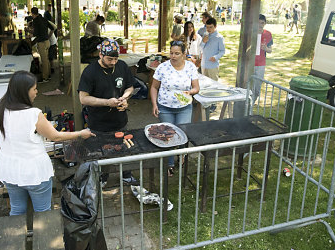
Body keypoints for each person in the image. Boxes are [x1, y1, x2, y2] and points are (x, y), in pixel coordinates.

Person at [0, 71, 94, 216]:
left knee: (17, 209)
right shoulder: (33, 114)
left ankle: (18, 236)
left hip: (9, 169)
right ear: (24, 92)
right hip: (34, 171)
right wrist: (81, 133)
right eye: (34, 89)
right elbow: (56, 136)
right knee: (43, 212)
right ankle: (44, 237)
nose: (37, 92)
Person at [78, 39, 138, 186]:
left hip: (120, 120)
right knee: (102, 152)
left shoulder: (122, 66)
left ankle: (126, 175)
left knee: (124, 148)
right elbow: (83, 99)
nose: (113, 62)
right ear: (100, 55)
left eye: (116, 59)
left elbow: (129, 87)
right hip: (98, 122)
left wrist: (125, 98)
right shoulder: (90, 71)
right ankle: (103, 177)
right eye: (109, 59)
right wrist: (107, 102)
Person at [150, 41, 200, 176]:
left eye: (177, 53)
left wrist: (190, 92)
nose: (173, 56)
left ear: (184, 54)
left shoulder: (190, 67)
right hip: (165, 107)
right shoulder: (162, 67)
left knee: (183, 133)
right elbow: (154, 87)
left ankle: (182, 156)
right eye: (171, 53)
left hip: (184, 107)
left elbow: (196, 87)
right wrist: (155, 104)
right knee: (167, 135)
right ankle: (169, 163)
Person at [253, 14, 273, 103]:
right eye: (258, 22)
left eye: (262, 23)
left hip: (261, 65)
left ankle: (251, 104)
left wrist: (266, 49)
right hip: (250, 63)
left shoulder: (268, 34)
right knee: (246, 86)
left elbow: (270, 50)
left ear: (265, 24)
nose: (260, 25)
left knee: (257, 88)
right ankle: (244, 106)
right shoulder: (250, 33)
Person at [200, 17, 225, 81]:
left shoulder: (219, 38)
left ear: (215, 26)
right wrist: (203, 42)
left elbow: (222, 51)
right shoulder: (205, 35)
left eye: (210, 27)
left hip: (213, 66)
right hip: (204, 65)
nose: (208, 29)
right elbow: (200, 48)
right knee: (204, 85)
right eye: (207, 27)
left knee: (213, 86)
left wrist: (216, 57)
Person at [30, 7, 51, 82]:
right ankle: (48, 75)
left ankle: (45, 78)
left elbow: (36, 33)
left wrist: (30, 32)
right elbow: (52, 27)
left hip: (41, 42)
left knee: (44, 60)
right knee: (47, 60)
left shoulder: (35, 21)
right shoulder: (43, 19)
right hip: (47, 41)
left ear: (32, 13)